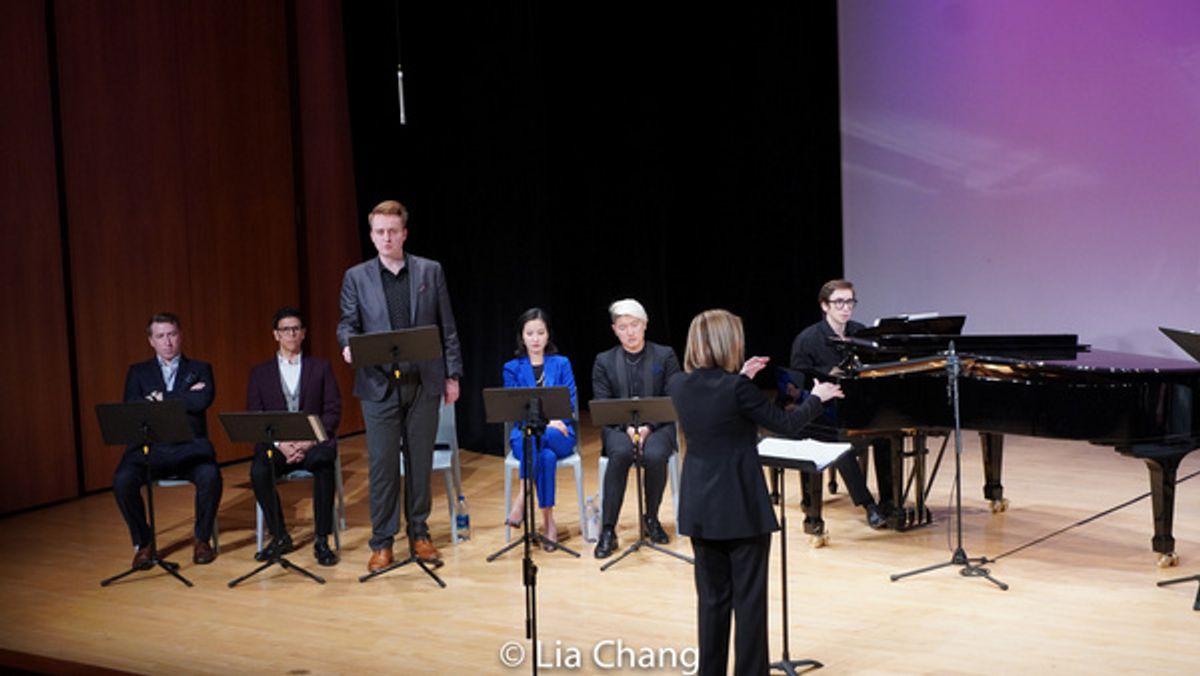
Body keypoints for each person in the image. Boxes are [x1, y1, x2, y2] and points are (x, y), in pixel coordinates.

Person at [668, 309, 843, 676]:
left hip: (700, 506)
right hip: (741, 507)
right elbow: (785, 422)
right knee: (749, 602)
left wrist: (742, 377)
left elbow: (719, 404)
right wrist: (818, 396)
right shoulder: (738, 389)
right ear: (727, 342)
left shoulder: (678, 384)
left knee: (712, 602)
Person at [337, 199, 463, 571]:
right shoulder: (355, 277)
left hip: (423, 381)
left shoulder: (430, 271)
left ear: (404, 233)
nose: (387, 237)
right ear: (372, 235)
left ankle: (420, 535)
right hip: (378, 384)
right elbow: (347, 323)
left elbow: (448, 326)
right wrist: (347, 344)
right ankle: (382, 541)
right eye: (380, 232)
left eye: (393, 231)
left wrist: (452, 375)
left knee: (420, 462)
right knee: (383, 465)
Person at [112, 312, 222, 567]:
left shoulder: (200, 369)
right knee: (122, 479)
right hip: (150, 449)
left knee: (211, 476)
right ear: (151, 341)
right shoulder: (138, 372)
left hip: (190, 449)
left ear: (180, 336)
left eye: (172, 334)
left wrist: (160, 398)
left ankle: (202, 539)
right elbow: (133, 408)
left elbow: (202, 401)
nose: (168, 342)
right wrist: (182, 396)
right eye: (160, 336)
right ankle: (144, 543)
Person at [246, 307, 342, 566]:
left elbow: (332, 411)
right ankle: (280, 536)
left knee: (323, 464)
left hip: (313, 443)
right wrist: (281, 444)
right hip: (278, 446)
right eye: (286, 329)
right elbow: (255, 416)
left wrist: (309, 441)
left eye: (296, 329)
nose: (291, 333)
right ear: (276, 335)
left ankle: (322, 539)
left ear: (303, 334)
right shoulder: (260, 373)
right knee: (258, 471)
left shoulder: (320, 367)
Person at [789, 279, 888, 529]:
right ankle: (868, 504)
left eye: (850, 302)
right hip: (820, 413)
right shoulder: (807, 339)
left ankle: (889, 500)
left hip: (856, 407)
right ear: (825, 306)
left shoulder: (860, 332)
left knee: (887, 434)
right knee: (840, 441)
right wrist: (827, 375)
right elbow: (795, 387)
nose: (846, 308)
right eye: (839, 302)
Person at [591, 298, 681, 558]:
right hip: (618, 428)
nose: (629, 332)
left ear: (645, 325)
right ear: (614, 330)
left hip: (659, 426)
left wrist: (647, 428)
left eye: (634, 325)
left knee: (654, 455)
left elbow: (672, 397)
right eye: (623, 327)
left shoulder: (665, 355)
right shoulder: (604, 361)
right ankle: (608, 529)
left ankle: (651, 518)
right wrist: (628, 428)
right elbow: (602, 402)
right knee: (619, 454)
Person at [502, 308, 577, 550]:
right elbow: (513, 410)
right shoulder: (512, 368)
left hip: (561, 433)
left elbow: (570, 403)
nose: (535, 338)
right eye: (530, 333)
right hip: (525, 434)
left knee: (542, 439)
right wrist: (547, 422)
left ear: (548, 336)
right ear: (522, 337)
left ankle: (523, 497)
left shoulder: (561, 363)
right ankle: (548, 522)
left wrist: (553, 422)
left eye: (540, 333)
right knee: (544, 454)